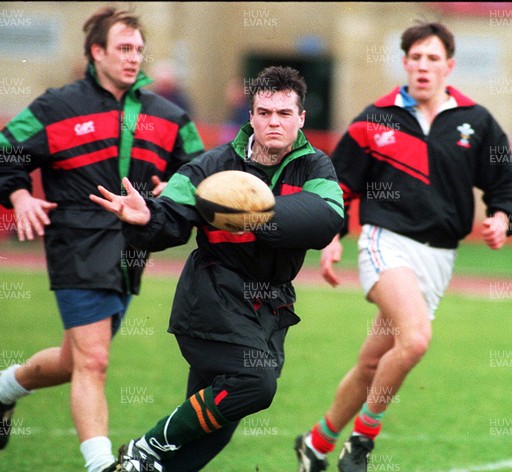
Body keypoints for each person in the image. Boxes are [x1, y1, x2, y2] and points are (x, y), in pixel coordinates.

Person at [294, 21, 512, 472]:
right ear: (405, 64)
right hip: (386, 243)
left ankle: (317, 443)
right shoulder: (374, 119)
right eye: (416, 58)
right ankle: (362, 440)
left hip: (439, 257)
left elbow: (508, 187)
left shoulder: (475, 122)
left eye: (432, 59)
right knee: (416, 340)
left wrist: (503, 219)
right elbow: (337, 185)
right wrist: (331, 238)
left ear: (449, 66)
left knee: (372, 365)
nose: (423, 66)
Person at [0, 6, 204, 472]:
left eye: (139, 50)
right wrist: (20, 196)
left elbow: (200, 170)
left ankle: (3, 387)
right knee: (95, 361)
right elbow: (3, 151)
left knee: (74, 359)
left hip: (132, 252)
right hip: (76, 246)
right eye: (123, 49)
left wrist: (175, 186)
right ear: (96, 52)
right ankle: (103, 466)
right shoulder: (56, 106)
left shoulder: (169, 114)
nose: (133, 58)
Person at [89, 65, 344, 472]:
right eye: (264, 112)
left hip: (269, 306)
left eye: (283, 114)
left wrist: (255, 212)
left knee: (214, 428)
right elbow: (170, 214)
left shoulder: (316, 167)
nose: (273, 122)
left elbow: (327, 217)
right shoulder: (213, 164)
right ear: (251, 116)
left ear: (301, 118)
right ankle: (147, 446)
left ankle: (142, 467)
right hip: (212, 296)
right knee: (255, 385)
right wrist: (145, 218)